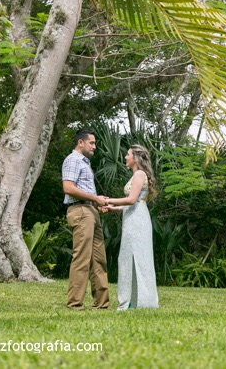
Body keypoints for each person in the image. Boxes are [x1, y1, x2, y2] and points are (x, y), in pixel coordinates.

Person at [105, 145, 159, 311]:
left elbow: (131, 200)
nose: (125, 157)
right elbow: (131, 203)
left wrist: (108, 200)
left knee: (137, 258)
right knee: (128, 257)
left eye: (128, 154)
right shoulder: (136, 175)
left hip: (137, 219)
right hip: (133, 216)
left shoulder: (139, 174)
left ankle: (139, 301)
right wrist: (111, 207)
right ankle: (132, 301)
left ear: (135, 158)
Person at [62, 128, 109, 310]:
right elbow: (68, 188)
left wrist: (97, 203)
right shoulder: (72, 160)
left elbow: (84, 189)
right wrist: (94, 199)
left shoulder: (84, 162)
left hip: (90, 211)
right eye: (92, 143)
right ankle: (74, 304)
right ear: (80, 142)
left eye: (95, 143)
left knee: (99, 259)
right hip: (80, 211)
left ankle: (102, 304)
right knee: (82, 258)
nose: (94, 147)